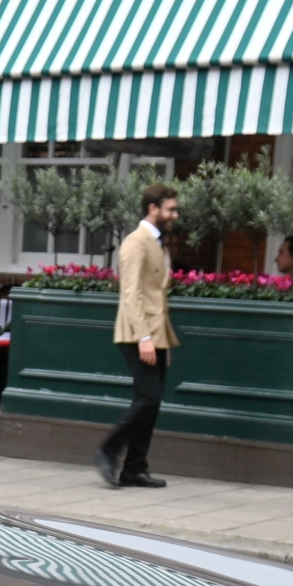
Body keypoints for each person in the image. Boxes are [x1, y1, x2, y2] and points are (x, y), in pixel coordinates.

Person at [97, 182, 179, 489]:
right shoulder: (136, 242)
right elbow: (131, 294)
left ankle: (134, 468)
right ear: (153, 209)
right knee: (149, 397)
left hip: (155, 334)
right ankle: (107, 450)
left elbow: (156, 294)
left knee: (151, 401)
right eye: (171, 208)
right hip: (135, 333)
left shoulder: (159, 242)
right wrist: (145, 337)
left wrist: (163, 340)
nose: (175, 213)